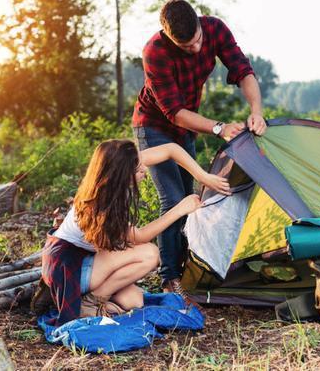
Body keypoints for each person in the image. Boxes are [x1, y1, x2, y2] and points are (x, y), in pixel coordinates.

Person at [133, 0, 267, 299]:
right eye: (186, 46)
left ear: (199, 24)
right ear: (168, 36)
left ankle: (189, 265)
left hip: (186, 128)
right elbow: (174, 112)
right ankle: (169, 277)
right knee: (174, 198)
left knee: (191, 196)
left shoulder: (215, 29)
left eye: (197, 41)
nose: (195, 49)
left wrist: (256, 110)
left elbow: (243, 71)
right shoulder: (154, 52)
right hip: (154, 126)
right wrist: (218, 127)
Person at [36, 139, 230, 324]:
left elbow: (171, 149)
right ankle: (90, 302)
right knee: (150, 253)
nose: (144, 169)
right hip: (69, 266)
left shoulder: (124, 163)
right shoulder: (99, 206)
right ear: (120, 174)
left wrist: (203, 176)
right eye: (138, 170)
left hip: (88, 261)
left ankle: (90, 299)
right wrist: (180, 209)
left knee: (134, 301)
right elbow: (141, 237)